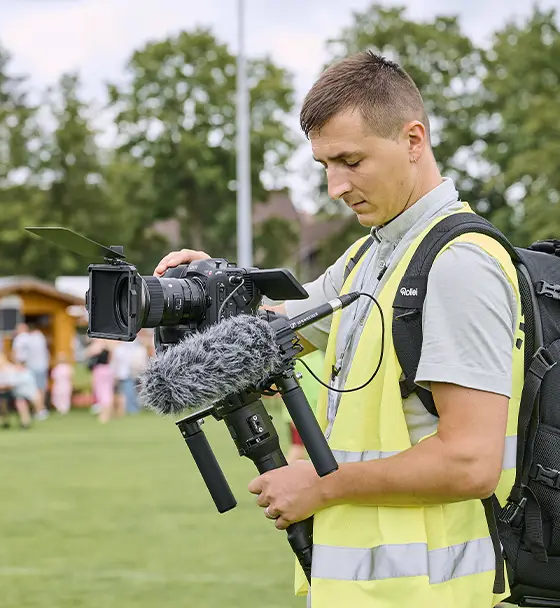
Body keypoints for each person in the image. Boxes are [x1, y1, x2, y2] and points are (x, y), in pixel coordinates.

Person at [153, 51, 522, 606]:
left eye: (351, 160)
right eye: (325, 164)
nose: (334, 186)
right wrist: (207, 288)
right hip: (367, 589)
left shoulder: (457, 263)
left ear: (413, 140)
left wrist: (321, 484)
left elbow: (470, 463)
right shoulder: (367, 258)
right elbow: (268, 337)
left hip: (430, 593)